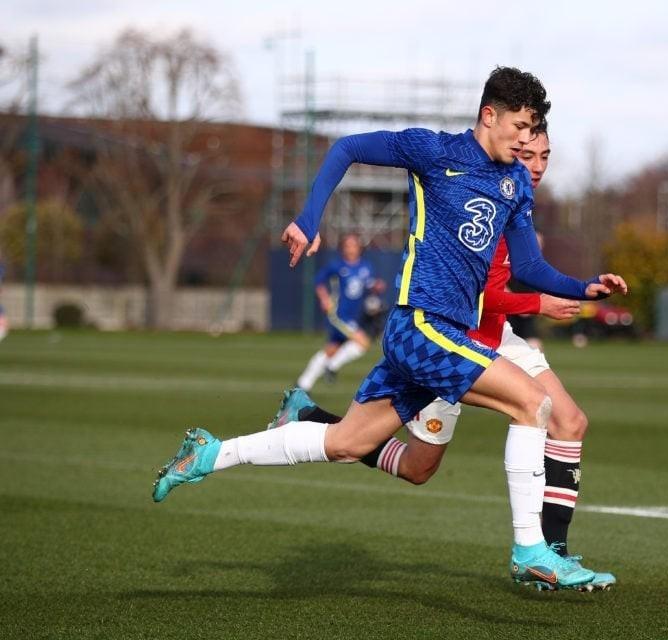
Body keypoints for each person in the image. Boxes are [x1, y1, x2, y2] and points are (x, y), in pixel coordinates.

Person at [151, 67, 628, 591]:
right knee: (533, 404)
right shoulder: (434, 151)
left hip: (444, 334)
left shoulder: (513, 185)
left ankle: (209, 454)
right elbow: (347, 148)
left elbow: (531, 266)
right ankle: (531, 550)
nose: (524, 140)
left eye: (532, 131)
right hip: (420, 324)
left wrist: (584, 287)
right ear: (489, 115)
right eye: (519, 127)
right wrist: (309, 219)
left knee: (345, 443)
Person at [273, 127, 615, 591]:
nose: (535, 165)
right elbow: (479, 295)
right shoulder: (474, 194)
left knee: (570, 421)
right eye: (527, 154)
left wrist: (581, 286)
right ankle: (313, 419)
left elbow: (527, 272)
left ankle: (552, 555)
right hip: (450, 340)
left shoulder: (516, 201)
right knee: (418, 468)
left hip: (498, 337)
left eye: (545, 156)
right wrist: (539, 304)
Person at [296, 233, 383, 391]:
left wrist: (377, 286)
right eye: (347, 245)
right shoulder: (336, 266)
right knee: (363, 342)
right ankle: (332, 366)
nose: (351, 248)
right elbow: (318, 281)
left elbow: (369, 285)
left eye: (354, 245)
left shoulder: (366, 267)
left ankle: (302, 384)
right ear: (342, 248)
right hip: (339, 314)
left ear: (359, 248)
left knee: (331, 349)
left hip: (353, 316)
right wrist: (324, 299)